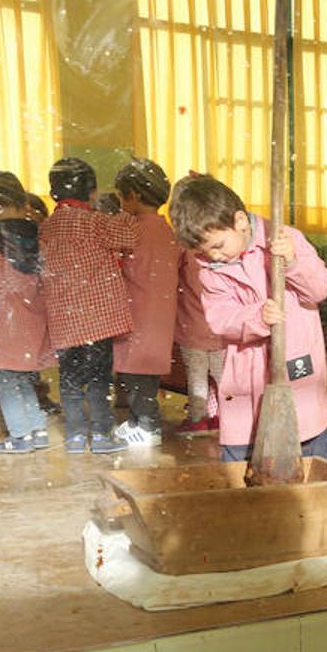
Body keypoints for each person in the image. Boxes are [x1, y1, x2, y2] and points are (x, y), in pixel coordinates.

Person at [168, 173, 327, 462]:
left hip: (296, 362)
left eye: (218, 245)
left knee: (307, 435)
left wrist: (293, 263)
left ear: (241, 222)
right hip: (246, 373)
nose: (214, 256)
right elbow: (220, 319)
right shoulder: (209, 268)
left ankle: (319, 494)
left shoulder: (285, 239)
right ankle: (246, 501)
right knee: (242, 444)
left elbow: (319, 289)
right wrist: (256, 318)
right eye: (204, 251)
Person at [39, 157, 138, 454]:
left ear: (54, 193)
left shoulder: (47, 226)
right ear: (93, 193)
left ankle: (75, 436)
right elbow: (129, 237)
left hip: (64, 321)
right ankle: (102, 436)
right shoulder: (95, 222)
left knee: (69, 380)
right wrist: (126, 210)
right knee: (98, 380)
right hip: (97, 320)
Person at [0, 172, 54, 454]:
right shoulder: (37, 235)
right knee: (23, 379)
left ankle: (20, 435)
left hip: (1, 324)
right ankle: (37, 429)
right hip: (31, 324)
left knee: (6, 383)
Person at [111, 159, 181, 447]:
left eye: (121, 195)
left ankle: (149, 426)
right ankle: (140, 421)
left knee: (135, 373)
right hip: (160, 314)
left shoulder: (131, 228)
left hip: (135, 311)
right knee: (144, 372)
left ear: (134, 195)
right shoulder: (168, 230)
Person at [173, 249, 224, 436]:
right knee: (222, 376)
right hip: (220, 328)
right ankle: (223, 415)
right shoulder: (221, 251)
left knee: (197, 377)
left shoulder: (185, 251)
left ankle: (197, 419)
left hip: (192, 326)